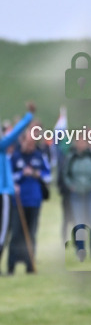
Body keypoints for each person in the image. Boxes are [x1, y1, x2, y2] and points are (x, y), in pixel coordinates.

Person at [8, 126, 50, 273]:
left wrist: (37, 174)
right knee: (16, 233)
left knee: (31, 234)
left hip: (34, 200)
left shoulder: (39, 156)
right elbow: (8, 177)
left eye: (33, 143)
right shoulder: (15, 157)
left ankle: (30, 264)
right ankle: (11, 265)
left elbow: (48, 175)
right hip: (18, 201)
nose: (30, 145)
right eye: (28, 142)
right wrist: (21, 175)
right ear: (22, 141)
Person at [0, 102, 35, 270]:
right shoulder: (1, 146)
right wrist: (28, 116)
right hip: (3, 192)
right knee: (3, 232)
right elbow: (14, 135)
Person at [62, 138, 91, 252]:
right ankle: (80, 248)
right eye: (79, 142)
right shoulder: (72, 157)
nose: (81, 144)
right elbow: (66, 174)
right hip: (77, 195)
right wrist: (70, 185)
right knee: (79, 222)